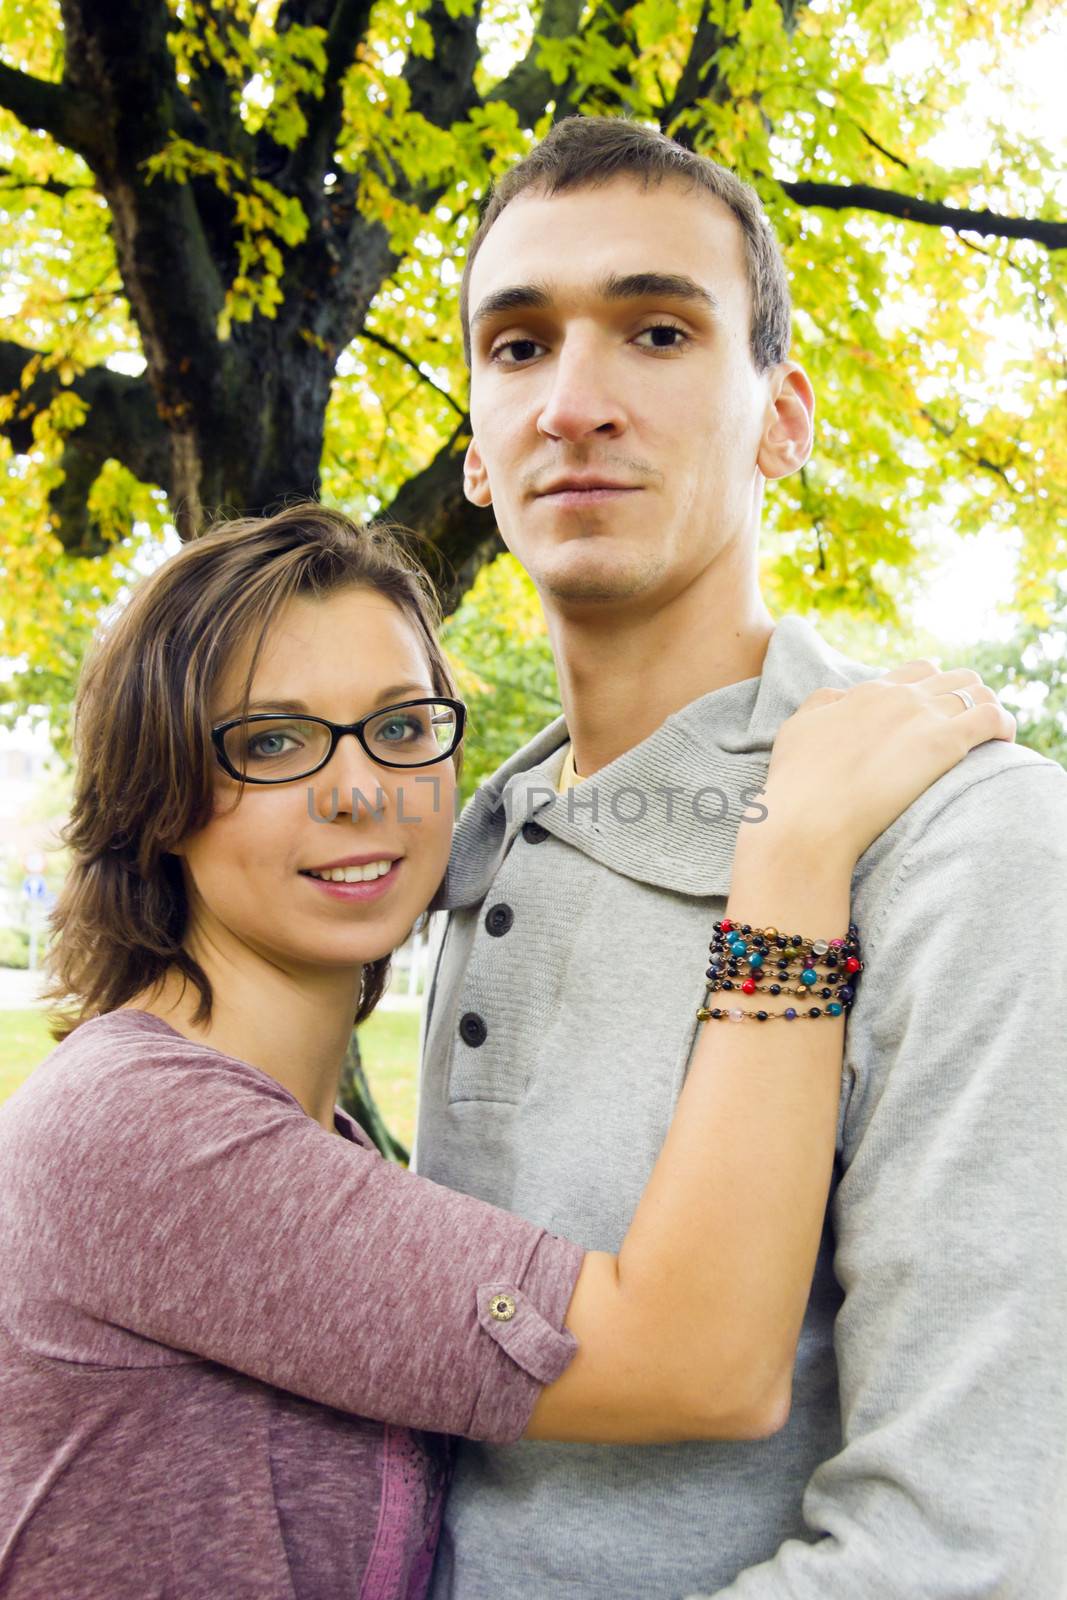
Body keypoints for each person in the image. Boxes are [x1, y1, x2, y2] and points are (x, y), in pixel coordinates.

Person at [0, 506, 1012, 1600]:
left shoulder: (299, 1137)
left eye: (399, 726)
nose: (358, 789)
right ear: (157, 796)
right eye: (272, 741)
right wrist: (792, 851)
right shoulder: (142, 1132)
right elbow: (699, 1361)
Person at [414, 116, 1067, 1598]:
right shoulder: (472, 839)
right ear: (472, 449)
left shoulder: (958, 838)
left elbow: (961, 1547)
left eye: (654, 331)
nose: (572, 402)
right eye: (515, 348)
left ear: (781, 419)